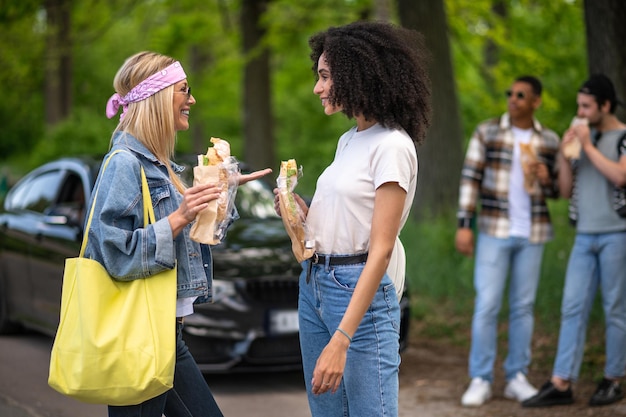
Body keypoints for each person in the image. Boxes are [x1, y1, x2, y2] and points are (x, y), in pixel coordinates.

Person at [88, 51, 271, 417]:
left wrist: (223, 190)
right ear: (156, 99)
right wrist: (178, 217)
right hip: (139, 335)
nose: (192, 100)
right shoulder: (124, 164)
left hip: (165, 335)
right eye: (184, 90)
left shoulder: (162, 167)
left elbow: (201, 238)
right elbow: (112, 253)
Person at [273, 21, 431, 417]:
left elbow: (380, 250)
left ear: (357, 75)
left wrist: (342, 338)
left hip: (356, 290)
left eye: (325, 76)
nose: (318, 87)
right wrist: (298, 213)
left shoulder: (392, 146)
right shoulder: (350, 140)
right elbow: (344, 221)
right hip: (315, 286)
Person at [455, 76, 560, 407]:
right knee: (487, 304)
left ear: (535, 102)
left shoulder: (550, 141)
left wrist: (548, 178)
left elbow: (559, 190)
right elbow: (470, 177)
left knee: (523, 307)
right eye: (510, 94)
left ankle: (516, 376)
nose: (512, 99)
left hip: (532, 233)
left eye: (521, 95)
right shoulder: (488, 131)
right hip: (493, 230)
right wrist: (464, 224)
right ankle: (480, 378)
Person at [522, 74, 626, 408]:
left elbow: (621, 176)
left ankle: (613, 379)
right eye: (578, 106)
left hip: (616, 234)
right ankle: (562, 381)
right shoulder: (583, 139)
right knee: (572, 306)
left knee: (615, 308)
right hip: (584, 235)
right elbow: (565, 190)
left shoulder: (623, 137)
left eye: (586, 106)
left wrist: (589, 146)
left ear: (604, 106)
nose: (579, 113)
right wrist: (566, 156)